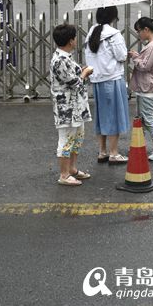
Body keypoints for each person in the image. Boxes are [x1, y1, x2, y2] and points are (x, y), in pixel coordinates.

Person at [84, 6, 129, 164]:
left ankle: (102, 151)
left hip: (97, 79)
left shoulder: (92, 32)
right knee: (114, 115)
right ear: (113, 16)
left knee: (102, 115)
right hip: (112, 79)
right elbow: (122, 56)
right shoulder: (114, 34)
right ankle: (114, 153)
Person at [50, 24, 94, 186]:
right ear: (70, 41)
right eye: (74, 38)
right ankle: (64, 174)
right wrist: (85, 73)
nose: (76, 40)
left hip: (76, 106)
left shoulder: (66, 57)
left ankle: (72, 169)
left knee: (77, 137)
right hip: (66, 107)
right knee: (66, 139)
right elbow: (74, 82)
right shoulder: (59, 60)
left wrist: (81, 71)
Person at [128, 17, 153, 161]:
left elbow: (145, 66)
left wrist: (134, 58)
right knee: (142, 119)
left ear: (146, 30)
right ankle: (139, 145)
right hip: (145, 88)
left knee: (149, 119)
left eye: (139, 31)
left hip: (148, 88)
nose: (138, 34)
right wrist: (138, 56)